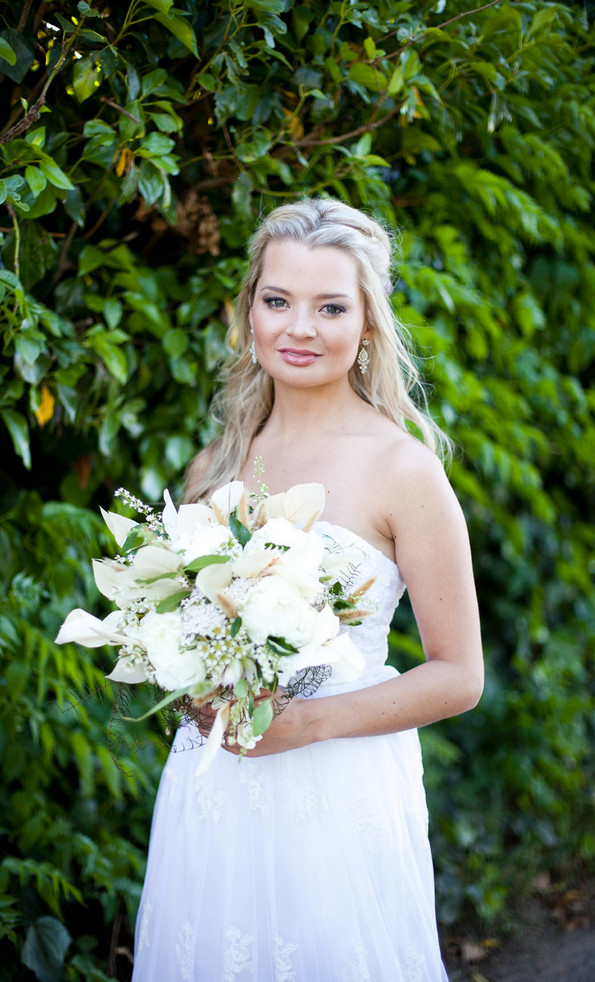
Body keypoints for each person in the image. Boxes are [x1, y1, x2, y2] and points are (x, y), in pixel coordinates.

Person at [131, 198, 484, 981]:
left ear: (366, 326)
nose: (299, 328)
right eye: (277, 300)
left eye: (330, 306)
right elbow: (184, 633)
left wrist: (309, 724)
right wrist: (189, 683)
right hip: (213, 783)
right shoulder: (214, 467)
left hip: (337, 791)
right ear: (248, 311)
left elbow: (459, 675)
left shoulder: (403, 469)